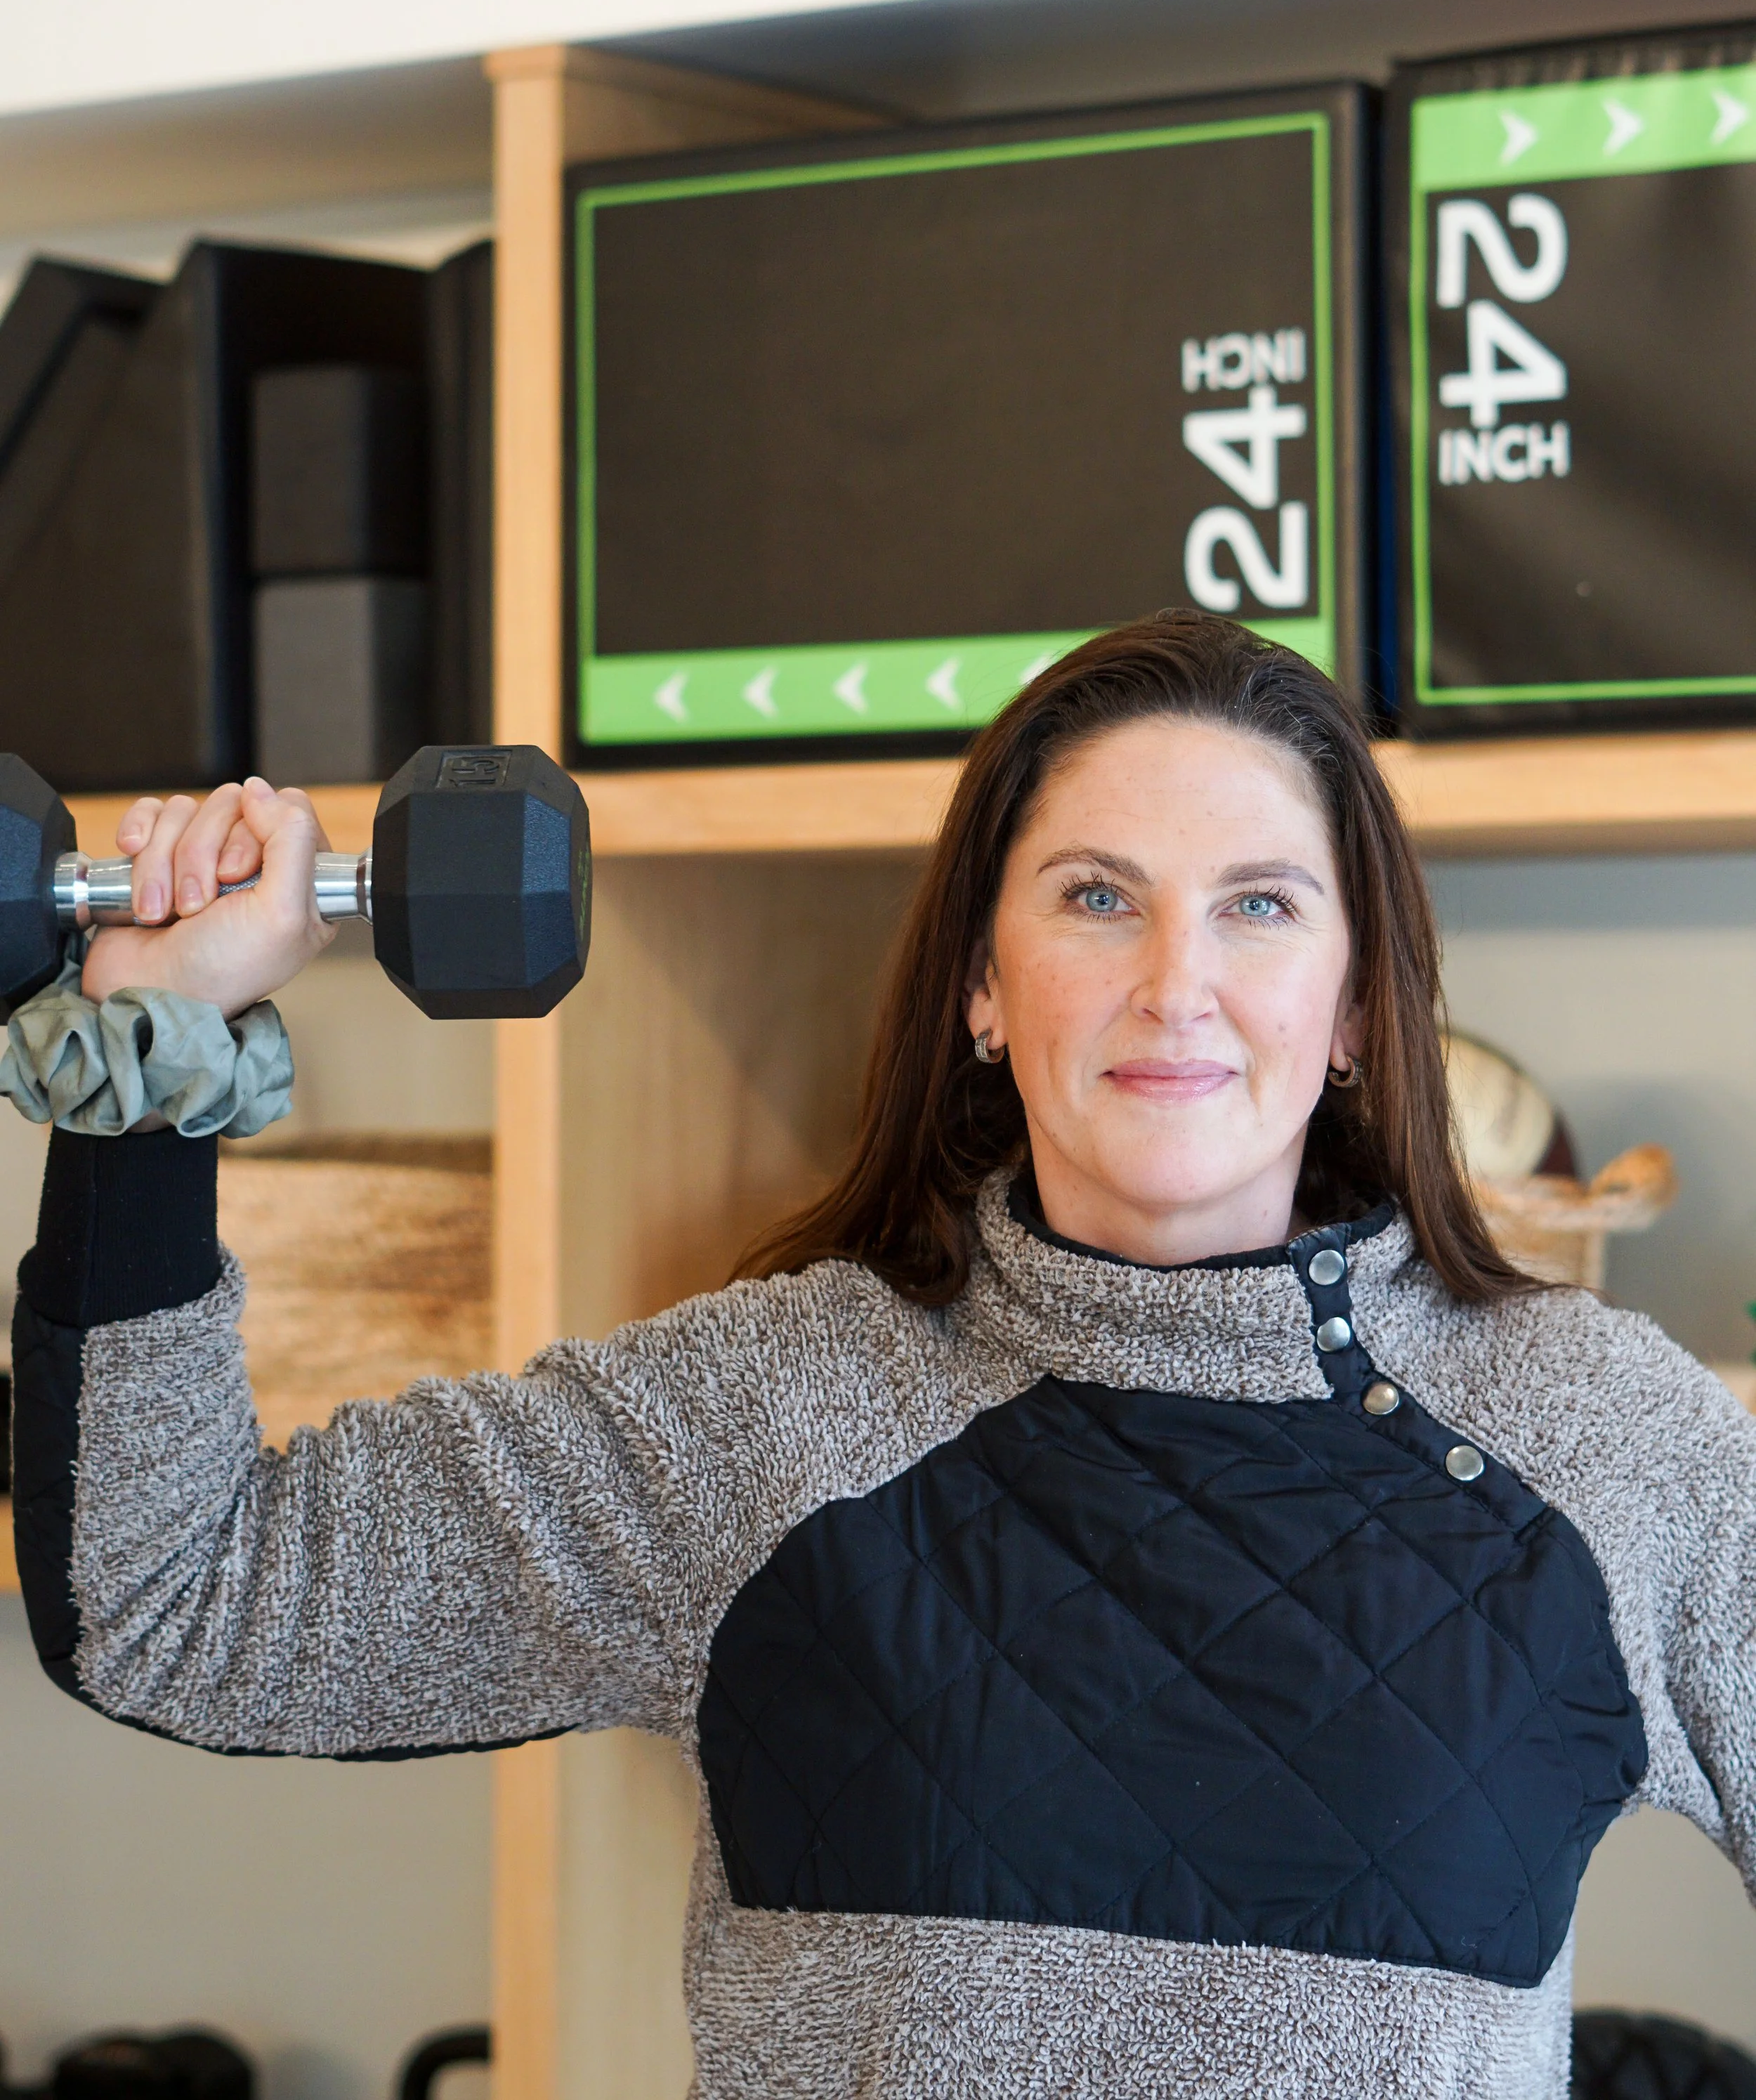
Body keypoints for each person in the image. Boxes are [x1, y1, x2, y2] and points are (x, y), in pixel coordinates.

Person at [7, 613, 1754, 2100]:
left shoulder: (1599, 1443)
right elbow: (178, 1599)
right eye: (1093, 897)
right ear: (984, 986)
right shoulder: (772, 1413)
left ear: (1361, 1005)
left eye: (1259, 906)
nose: (1174, 984)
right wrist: (156, 1070)